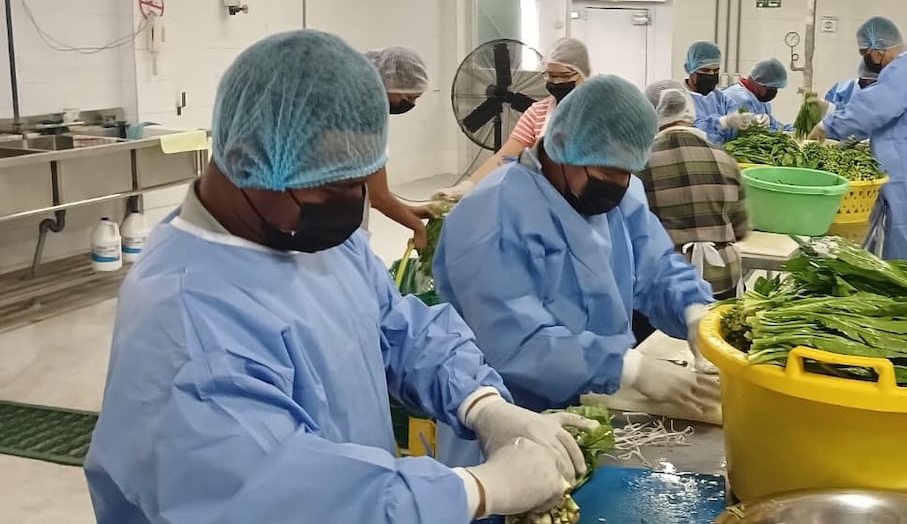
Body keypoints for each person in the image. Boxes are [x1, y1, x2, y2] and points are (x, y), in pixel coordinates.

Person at [83, 30, 596, 524]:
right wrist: (477, 490)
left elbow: (397, 328)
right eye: (331, 190)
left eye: (358, 182)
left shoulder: (309, 236)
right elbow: (279, 501)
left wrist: (482, 404)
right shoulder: (186, 321)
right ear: (246, 165)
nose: (351, 206)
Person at [432, 74, 720, 471]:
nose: (617, 186)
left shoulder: (621, 194)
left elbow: (655, 266)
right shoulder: (493, 215)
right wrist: (626, 367)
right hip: (508, 423)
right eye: (606, 173)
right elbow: (514, 343)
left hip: (590, 407)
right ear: (563, 147)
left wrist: (694, 313)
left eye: (627, 172)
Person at [809, 17, 907, 271]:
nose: (866, 59)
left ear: (877, 49)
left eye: (865, 52)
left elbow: (872, 108)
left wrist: (827, 126)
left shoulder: (904, 71)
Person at [435, 38, 592, 202]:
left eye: (564, 76)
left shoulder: (601, 111)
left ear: (583, 73)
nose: (556, 82)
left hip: (590, 201)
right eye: (551, 76)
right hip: (544, 201)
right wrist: (467, 187)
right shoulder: (537, 113)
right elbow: (503, 157)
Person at [639, 79, 750, 302]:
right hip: (723, 280)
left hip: (669, 285)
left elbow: (635, 232)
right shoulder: (726, 160)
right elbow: (740, 229)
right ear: (690, 110)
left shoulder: (641, 164)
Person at [363, 45, 434, 249]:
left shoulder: (356, 101)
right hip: (333, 228)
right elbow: (379, 197)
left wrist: (415, 210)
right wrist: (417, 226)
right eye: (409, 97)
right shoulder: (367, 114)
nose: (409, 104)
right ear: (391, 80)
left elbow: (371, 192)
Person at [685, 41, 751, 145]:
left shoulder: (721, 99)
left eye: (716, 71)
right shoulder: (680, 99)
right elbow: (686, 132)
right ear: (690, 69)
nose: (711, 74)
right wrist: (721, 122)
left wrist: (751, 121)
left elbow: (736, 121)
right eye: (705, 70)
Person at [722, 58, 794, 132]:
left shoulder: (759, 99)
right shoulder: (739, 99)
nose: (773, 92)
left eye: (776, 88)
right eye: (771, 88)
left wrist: (796, 130)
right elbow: (748, 133)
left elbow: (774, 126)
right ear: (757, 82)